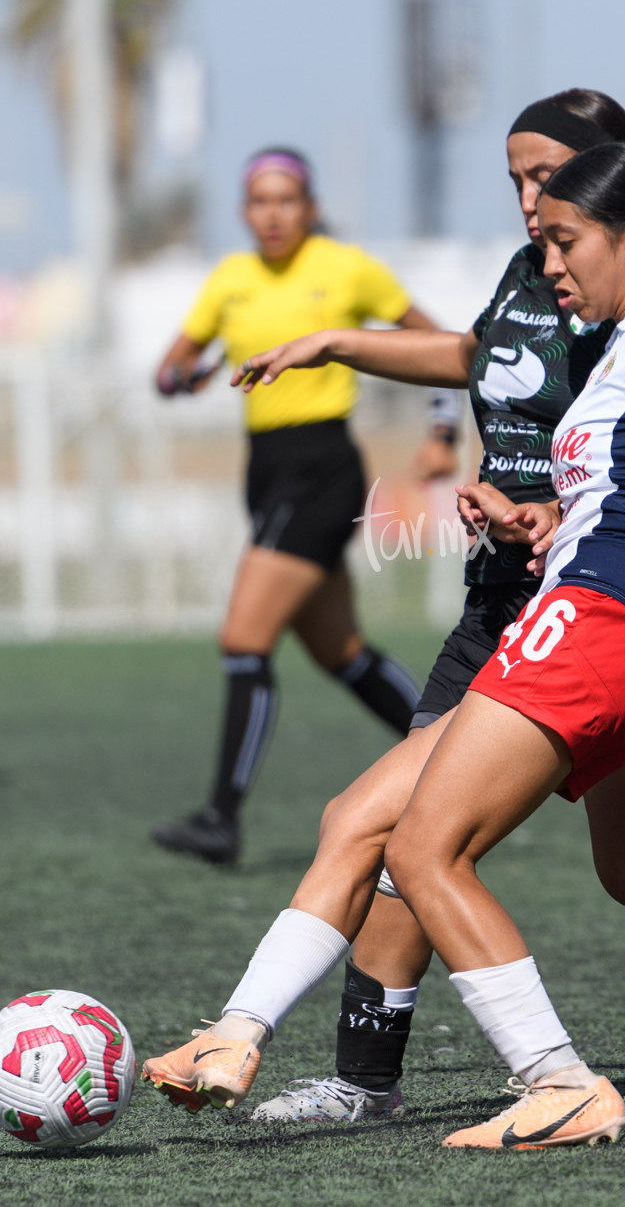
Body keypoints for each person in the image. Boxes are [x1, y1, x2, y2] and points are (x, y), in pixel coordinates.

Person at [143, 142, 625, 1149]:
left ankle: (556, 1083)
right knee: (624, 873)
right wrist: (536, 518)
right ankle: (234, 1035)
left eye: (561, 237)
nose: (544, 260)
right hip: (587, 610)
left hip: (597, 626)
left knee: (420, 845)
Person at [149, 147, 435, 867]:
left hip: (322, 468)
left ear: (310, 206)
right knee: (341, 653)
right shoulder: (231, 279)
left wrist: (443, 430)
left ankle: (221, 817)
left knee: (244, 641)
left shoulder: (345, 267)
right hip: (265, 470)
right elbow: (168, 369)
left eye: (286, 200)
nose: (272, 214)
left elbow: (446, 343)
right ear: (244, 211)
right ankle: (453, 754)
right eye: (259, 201)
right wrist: (183, 375)